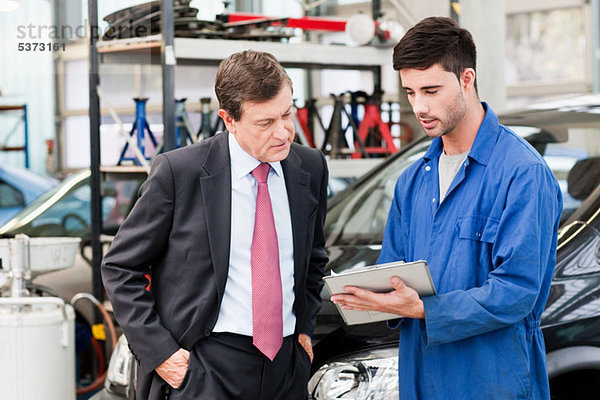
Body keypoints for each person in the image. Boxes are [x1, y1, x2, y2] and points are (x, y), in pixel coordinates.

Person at [331, 16, 562, 399]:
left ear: (466, 79)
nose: (419, 106)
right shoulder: (411, 182)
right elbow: (394, 272)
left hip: (493, 379)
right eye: (410, 93)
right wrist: (366, 296)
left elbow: (518, 291)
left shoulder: (522, 173)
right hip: (421, 375)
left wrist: (423, 310)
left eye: (431, 90)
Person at [102, 50, 329, 400]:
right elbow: (119, 266)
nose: (284, 132)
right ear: (229, 119)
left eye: (287, 113)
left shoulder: (310, 167)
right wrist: (161, 353)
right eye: (265, 123)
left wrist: (304, 329)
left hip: (286, 368)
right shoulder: (181, 173)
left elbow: (314, 257)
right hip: (206, 368)